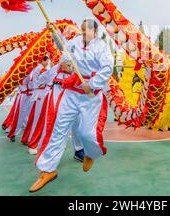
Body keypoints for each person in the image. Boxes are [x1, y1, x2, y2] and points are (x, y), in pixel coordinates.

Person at [29, 18, 113, 193]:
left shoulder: (102, 47)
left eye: (86, 30)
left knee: (86, 133)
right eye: (81, 29)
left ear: (94, 32)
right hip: (71, 93)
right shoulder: (75, 42)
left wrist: (92, 83)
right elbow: (64, 48)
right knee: (57, 129)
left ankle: (91, 153)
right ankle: (47, 170)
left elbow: (107, 68)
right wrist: (54, 33)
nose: (82, 32)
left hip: (91, 95)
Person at [28, 61, 85, 161]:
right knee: (54, 124)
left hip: (74, 96)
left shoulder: (79, 62)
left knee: (78, 121)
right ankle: (48, 153)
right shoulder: (56, 68)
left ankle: (79, 150)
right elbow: (40, 80)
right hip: (57, 95)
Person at [21, 57, 50, 148]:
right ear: (42, 61)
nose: (48, 63)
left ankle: (27, 138)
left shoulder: (36, 69)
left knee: (33, 118)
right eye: (47, 61)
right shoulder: (41, 69)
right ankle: (31, 139)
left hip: (36, 93)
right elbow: (46, 80)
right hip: (39, 94)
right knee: (36, 119)